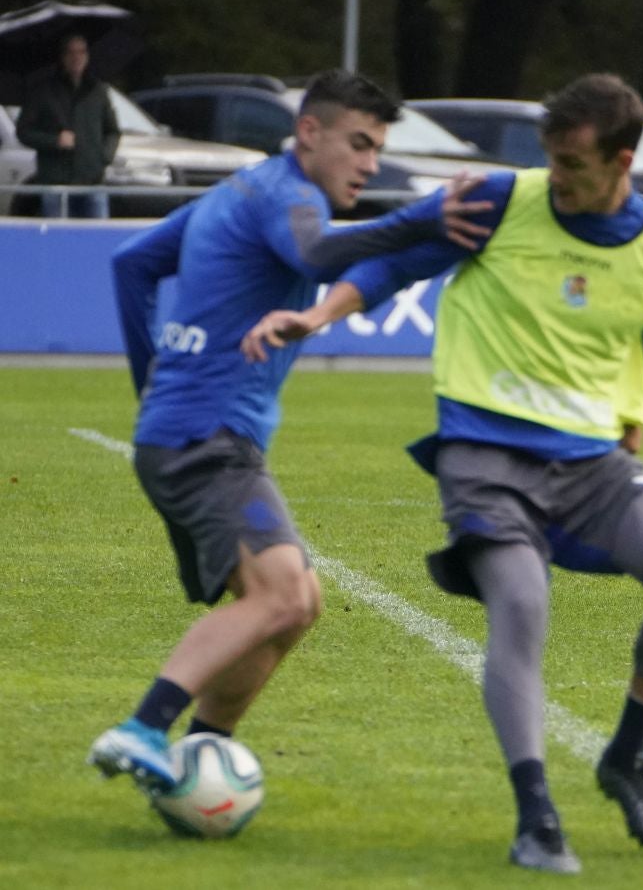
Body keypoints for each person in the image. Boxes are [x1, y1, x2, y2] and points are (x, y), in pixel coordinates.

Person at [241, 73, 643, 875]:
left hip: (590, 457)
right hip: (482, 452)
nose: (553, 176)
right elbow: (399, 266)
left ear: (622, 160)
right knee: (521, 603)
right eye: (549, 158)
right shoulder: (501, 200)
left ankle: (625, 757)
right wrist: (318, 314)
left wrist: (634, 410)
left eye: (570, 162)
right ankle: (536, 816)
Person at [88, 69, 491, 799]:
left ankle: (205, 750)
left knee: (298, 602)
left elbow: (132, 264)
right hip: (204, 440)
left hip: (193, 433)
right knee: (277, 597)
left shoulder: (239, 190)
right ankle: (143, 728)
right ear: (310, 133)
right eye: (358, 145)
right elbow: (312, 253)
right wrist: (420, 216)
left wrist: (151, 379)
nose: (368, 165)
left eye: (377, 150)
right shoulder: (289, 196)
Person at [16, 33, 120, 218]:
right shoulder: (43, 91)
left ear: (87, 56)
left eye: (81, 52)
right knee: (59, 237)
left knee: (97, 237)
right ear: (63, 57)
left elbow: (112, 131)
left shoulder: (98, 90)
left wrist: (103, 157)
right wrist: (55, 141)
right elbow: (24, 132)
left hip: (92, 182)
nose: (76, 57)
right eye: (71, 52)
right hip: (55, 182)